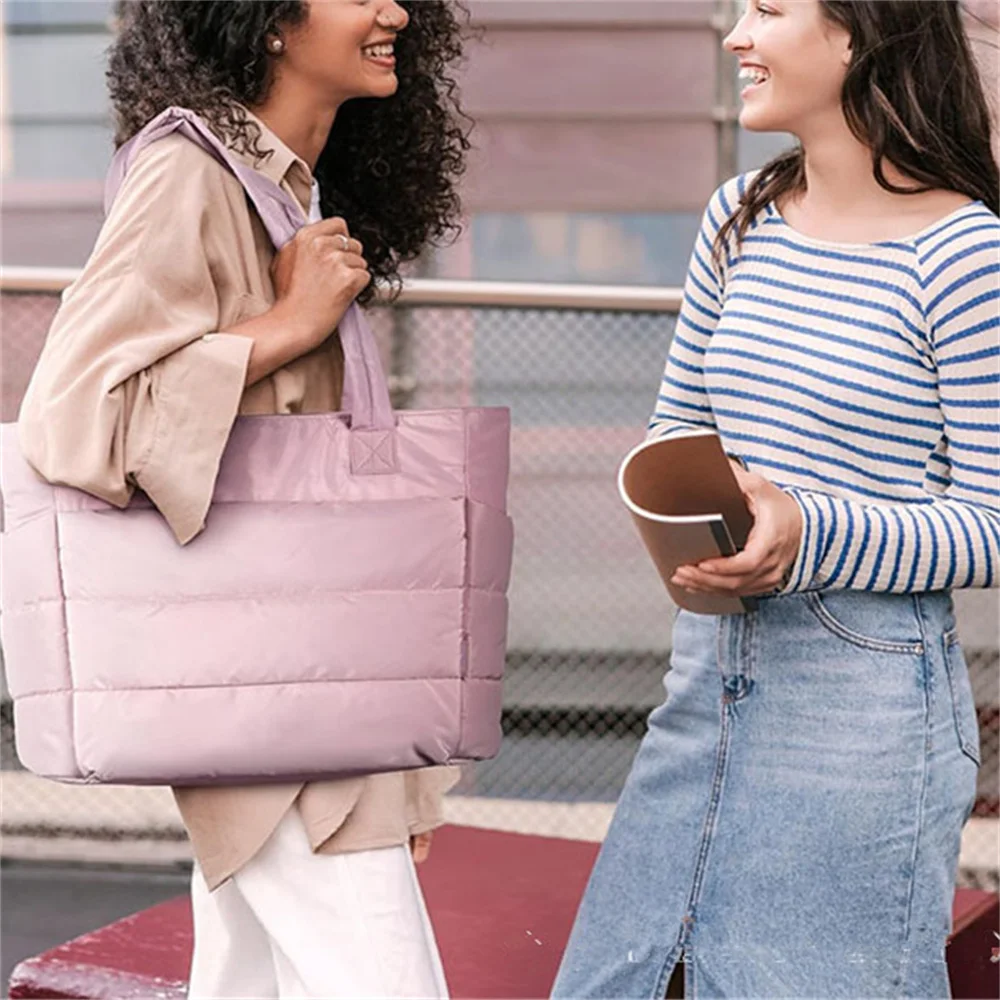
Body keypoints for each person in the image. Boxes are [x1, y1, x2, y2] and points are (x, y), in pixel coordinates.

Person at [17, 1, 471, 996]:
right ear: (264, 19)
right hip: (267, 679)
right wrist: (287, 325)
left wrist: (399, 760)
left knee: (251, 977)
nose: (393, 8)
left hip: (289, 676)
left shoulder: (282, 188)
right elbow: (72, 414)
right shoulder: (190, 175)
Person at [552, 1, 998, 997]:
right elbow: (677, 430)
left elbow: (992, 523)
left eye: (766, 8)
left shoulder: (964, 255)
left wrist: (809, 528)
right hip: (705, 678)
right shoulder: (738, 213)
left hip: (866, 718)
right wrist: (678, 501)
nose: (735, 37)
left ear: (859, 32)